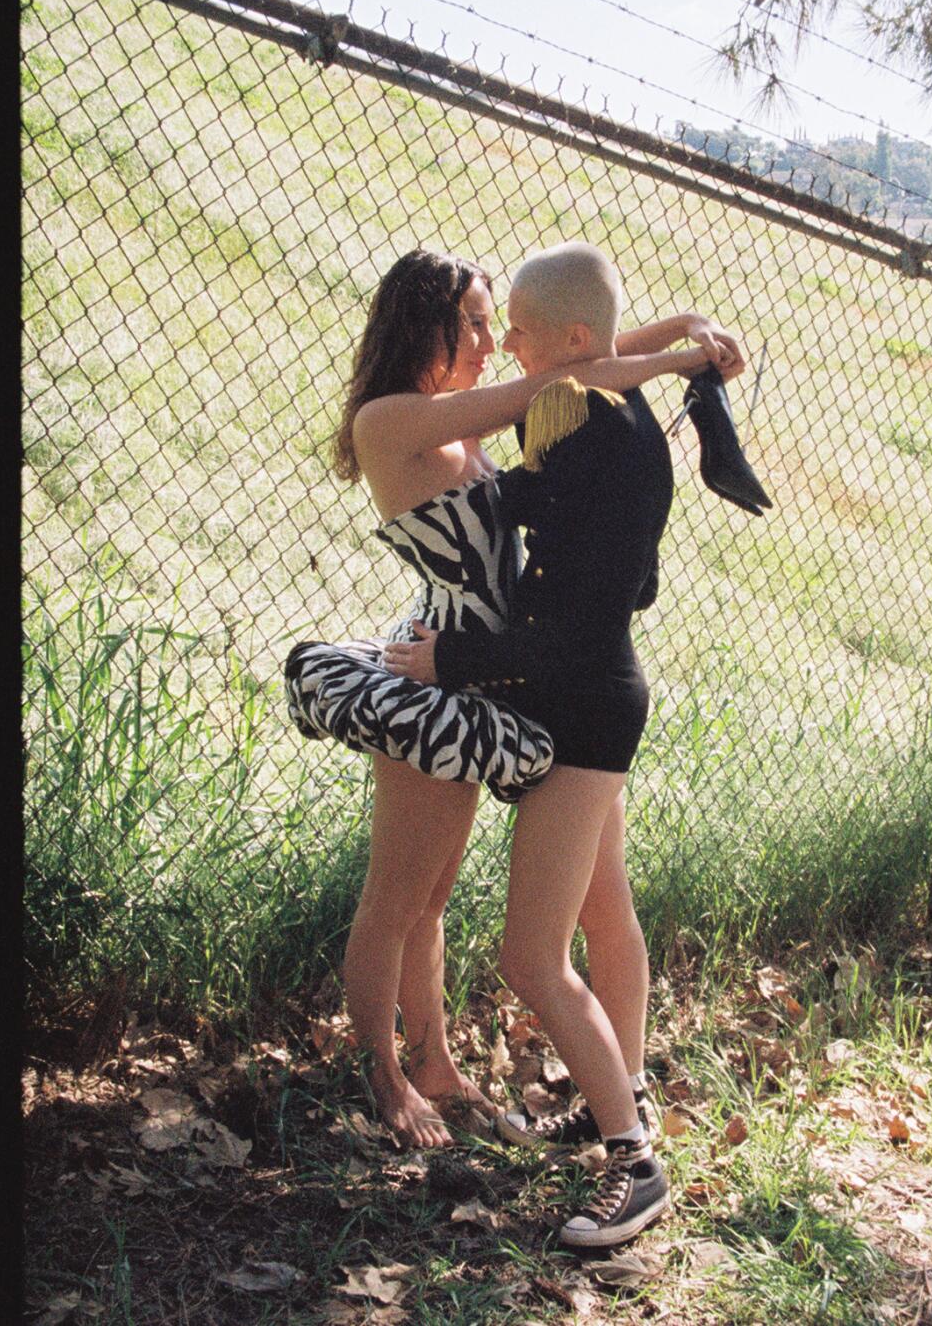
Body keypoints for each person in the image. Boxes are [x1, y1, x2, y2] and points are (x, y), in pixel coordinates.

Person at [285, 248, 741, 1149]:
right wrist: (675, 359)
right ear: (428, 328)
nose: (498, 341)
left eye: (503, 323)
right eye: (481, 323)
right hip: (440, 678)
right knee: (401, 900)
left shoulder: (466, 425)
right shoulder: (396, 421)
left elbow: (575, 362)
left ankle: (462, 1070)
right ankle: (388, 1081)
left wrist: (687, 324)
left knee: (514, 901)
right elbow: (559, 380)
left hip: (525, 673)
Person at [383, 241, 712, 1247]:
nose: (506, 347)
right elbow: (580, 383)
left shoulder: (607, 442)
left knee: (530, 953)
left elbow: (565, 634)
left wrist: (449, 661)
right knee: (603, 912)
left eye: (516, 331)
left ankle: (632, 1162)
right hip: (578, 704)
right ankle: (623, 1092)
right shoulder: (585, 415)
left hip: (582, 711)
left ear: (564, 342)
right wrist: (681, 342)